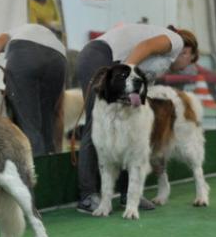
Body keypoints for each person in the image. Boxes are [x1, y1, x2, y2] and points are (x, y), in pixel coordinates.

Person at [75, 23, 199, 214]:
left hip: (113, 63)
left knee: (130, 128)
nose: (185, 69)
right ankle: (87, 196)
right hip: (99, 56)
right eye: (190, 61)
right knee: (96, 126)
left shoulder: (162, 63)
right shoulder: (176, 41)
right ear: (187, 51)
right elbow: (144, 47)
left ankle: (128, 194)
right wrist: (126, 76)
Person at [0, 23, 67, 156]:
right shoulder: (53, 39)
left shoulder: (17, 31)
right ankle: (50, 160)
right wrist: (59, 150)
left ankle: (35, 172)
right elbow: (58, 112)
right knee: (46, 123)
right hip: (59, 58)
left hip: (25, 53)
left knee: (29, 124)